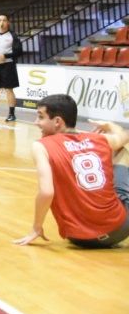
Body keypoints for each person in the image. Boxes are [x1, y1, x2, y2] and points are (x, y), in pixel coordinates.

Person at [14, 94, 128, 248]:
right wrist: (109, 124)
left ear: (57, 121)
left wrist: (36, 227)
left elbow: (47, 192)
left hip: (80, 239)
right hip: (120, 229)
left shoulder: (41, 145)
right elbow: (124, 136)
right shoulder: (99, 139)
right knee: (123, 150)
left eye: (40, 117)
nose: (36, 123)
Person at [0, 14, 23, 122]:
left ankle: (11, 114)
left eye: (4, 20)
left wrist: (5, 56)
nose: (1, 22)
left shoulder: (13, 36)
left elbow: (19, 51)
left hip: (8, 65)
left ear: (8, 23)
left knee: (8, 90)